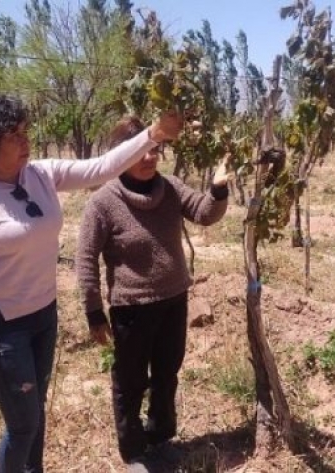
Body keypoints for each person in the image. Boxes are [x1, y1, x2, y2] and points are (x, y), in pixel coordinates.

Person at [0, 95, 182, 473]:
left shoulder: (40, 175)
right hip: (3, 329)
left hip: (43, 317)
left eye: (26, 133)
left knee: (35, 416)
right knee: (23, 427)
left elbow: (102, 167)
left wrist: (153, 135)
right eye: (15, 136)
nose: (26, 142)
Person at [74, 116, 230, 472]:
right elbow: (85, 259)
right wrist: (93, 311)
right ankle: (134, 452)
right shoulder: (103, 202)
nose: (149, 158)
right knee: (130, 382)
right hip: (131, 309)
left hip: (174, 301)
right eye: (141, 151)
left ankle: (161, 438)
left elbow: (205, 214)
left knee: (166, 373)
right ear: (122, 155)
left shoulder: (171, 188)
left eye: (154, 150)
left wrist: (218, 190)